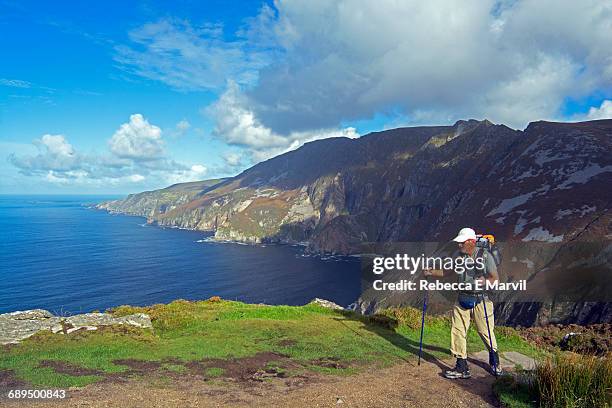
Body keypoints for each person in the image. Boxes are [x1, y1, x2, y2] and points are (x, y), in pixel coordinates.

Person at [424, 227, 502, 379]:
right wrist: (431, 272)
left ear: (471, 242)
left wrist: (485, 281)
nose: (459, 245)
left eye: (461, 242)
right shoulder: (458, 256)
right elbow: (447, 272)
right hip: (462, 297)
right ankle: (461, 366)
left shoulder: (485, 256)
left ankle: (495, 361)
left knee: (485, 332)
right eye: (458, 243)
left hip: (481, 299)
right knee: (458, 331)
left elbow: (495, 279)